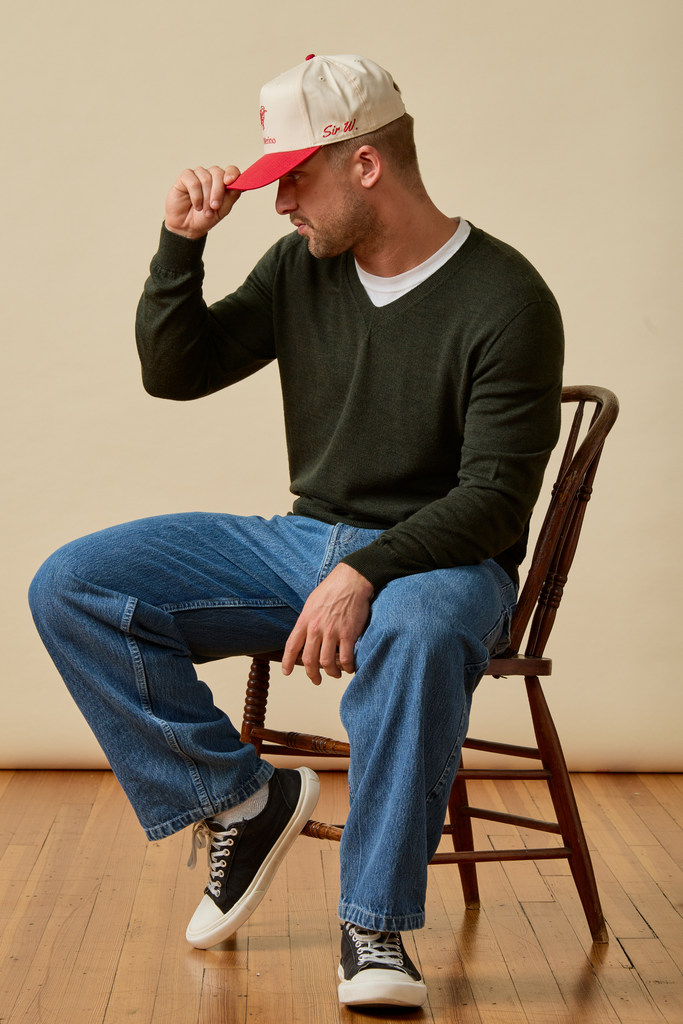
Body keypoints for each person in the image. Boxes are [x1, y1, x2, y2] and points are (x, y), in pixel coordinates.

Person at [29, 53, 564, 1009]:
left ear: (366, 164)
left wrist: (368, 574)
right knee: (73, 583)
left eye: (295, 180)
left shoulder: (506, 299)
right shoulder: (300, 269)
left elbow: (493, 499)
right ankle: (241, 799)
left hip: (446, 562)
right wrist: (179, 245)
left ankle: (374, 927)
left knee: (419, 626)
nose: (279, 205)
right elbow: (176, 373)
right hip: (304, 545)